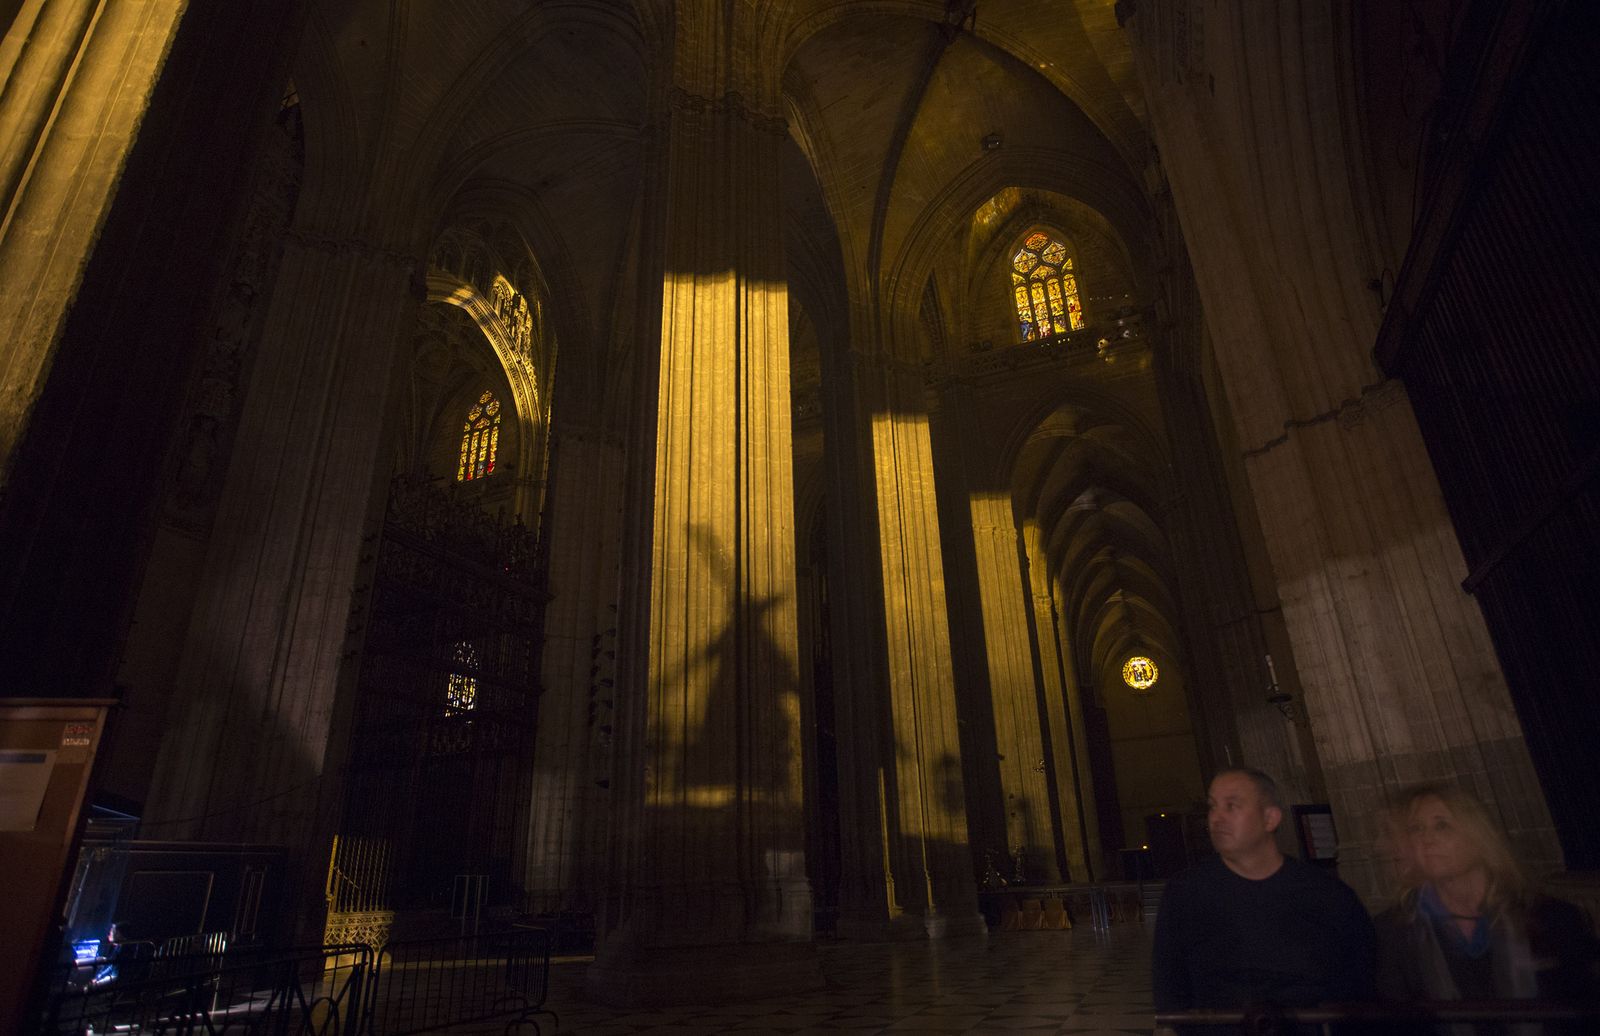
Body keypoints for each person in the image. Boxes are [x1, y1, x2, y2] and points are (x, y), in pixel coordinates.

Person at [1153, 768, 1376, 1032]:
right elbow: (1170, 986)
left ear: (1270, 818)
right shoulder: (1186, 893)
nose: (1216, 818)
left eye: (1231, 806)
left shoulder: (1326, 894)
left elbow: (1359, 982)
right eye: (1213, 807)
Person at [1375, 785, 1599, 1034]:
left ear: (1479, 835)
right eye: (1416, 829)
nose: (1427, 839)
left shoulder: (1551, 917)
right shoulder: (1393, 931)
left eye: (1442, 825)